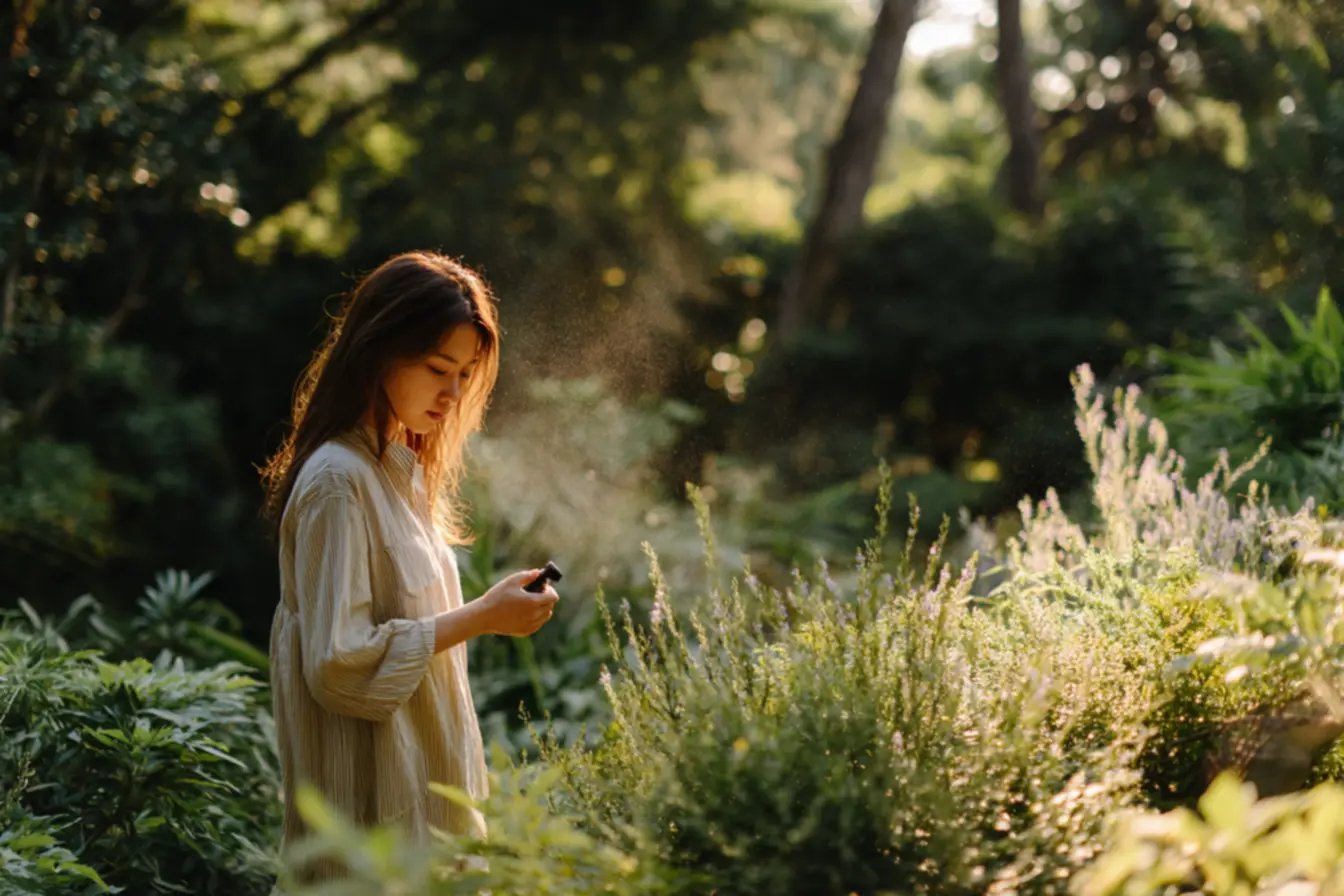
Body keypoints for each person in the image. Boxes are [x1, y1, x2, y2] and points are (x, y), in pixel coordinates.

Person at [258, 250, 559, 882]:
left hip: (423, 820)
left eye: (466, 374)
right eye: (437, 368)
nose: (453, 395)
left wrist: (487, 612)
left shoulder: (397, 471)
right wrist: (481, 617)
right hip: (370, 838)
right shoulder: (339, 482)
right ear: (378, 350)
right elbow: (337, 663)